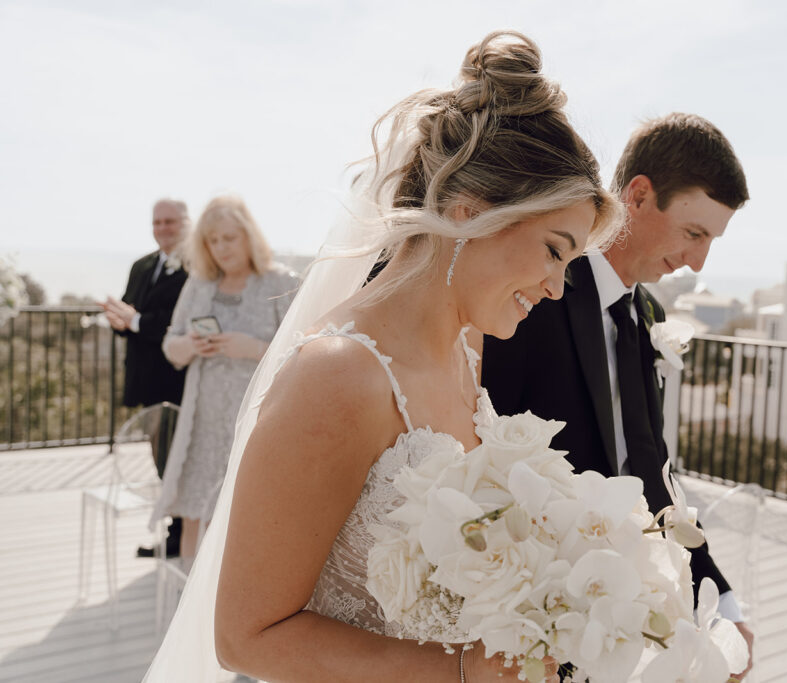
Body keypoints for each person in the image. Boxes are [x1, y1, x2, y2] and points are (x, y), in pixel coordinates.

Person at [144, 31, 623, 682]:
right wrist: (460, 670)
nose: (554, 286)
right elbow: (244, 636)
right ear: (468, 212)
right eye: (553, 249)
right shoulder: (339, 373)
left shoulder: (463, 349)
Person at [481, 113, 755, 679]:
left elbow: (650, 468)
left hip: (621, 612)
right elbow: (483, 443)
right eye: (694, 233)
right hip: (532, 609)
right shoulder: (537, 290)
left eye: (711, 241)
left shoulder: (644, 316)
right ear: (638, 194)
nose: (699, 262)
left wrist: (722, 600)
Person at [151, 195, 299, 566]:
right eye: (213, 241)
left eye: (229, 238)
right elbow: (171, 347)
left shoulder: (281, 282)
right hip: (202, 424)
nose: (221, 249)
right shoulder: (198, 285)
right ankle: (187, 616)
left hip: (255, 422)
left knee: (244, 520)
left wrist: (255, 348)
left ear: (248, 235)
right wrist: (189, 344)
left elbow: (308, 352)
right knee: (193, 515)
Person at [103, 198, 190, 558]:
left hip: (177, 381)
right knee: (160, 459)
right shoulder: (141, 266)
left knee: (177, 459)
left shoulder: (195, 268)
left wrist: (135, 321)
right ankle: (176, 528)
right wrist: (119, 321)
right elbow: (130, 314)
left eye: (170, 222)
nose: (162, 228)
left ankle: (180, 534)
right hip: (145, 381)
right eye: (157, 222)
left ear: (186, 223)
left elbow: (175, 325)